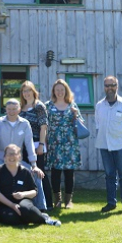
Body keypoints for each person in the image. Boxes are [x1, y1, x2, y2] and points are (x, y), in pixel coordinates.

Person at [0, 99, 47, 212]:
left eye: (14, 109)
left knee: (36, 175)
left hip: (17, 161)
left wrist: (34, 165)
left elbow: (29, 144)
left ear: (19, 109)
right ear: (6, 110)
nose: (12, 111)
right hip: (0, 160)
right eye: (9, 109)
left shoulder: (25, 124)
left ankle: (40, 207)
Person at [96, 76, 122, 213]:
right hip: (104, 145)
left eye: (112, 85)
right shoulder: (99, 106)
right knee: (109, 175)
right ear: (104, 87)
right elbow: (98, 125)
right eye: (107, 85)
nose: (110, 88)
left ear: (117, 86)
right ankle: (111, 203)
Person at [0, 144, 61, 227]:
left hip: (23, 201)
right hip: (4, 204)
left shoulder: (25, 171)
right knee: (9, 217)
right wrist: (13, 205)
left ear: (19, 157)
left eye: (15, 154)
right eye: (9, 154)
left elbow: (34, 191)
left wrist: (23, 194)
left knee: (25, 209)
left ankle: (45, 220)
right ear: (4, 157)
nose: (12, 157)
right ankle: (34, 216)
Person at [46, 79, 83, 209]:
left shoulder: (72, 105)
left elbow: (80, 124)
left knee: (69, 173)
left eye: (62, 90)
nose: (60, 92)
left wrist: (75, 115)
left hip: (70, 144)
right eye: (57, 90)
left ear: (66, 91)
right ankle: (57, 200)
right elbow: (44, 125)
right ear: (54, 92)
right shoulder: (48, 106)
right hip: (54, 144)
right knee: (55, 172)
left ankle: (68, 200)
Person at [19, 81, 53, 209]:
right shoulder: (21, 107)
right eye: (24, 91)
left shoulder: (39, 106)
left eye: (28, 90)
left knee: (40, 173)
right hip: (23, 147)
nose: (26, 93)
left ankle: (48, 203)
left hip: (37, 144)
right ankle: (33, 202)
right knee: (28, 174)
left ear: (33, 91)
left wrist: (41, 145)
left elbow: (43, 127)